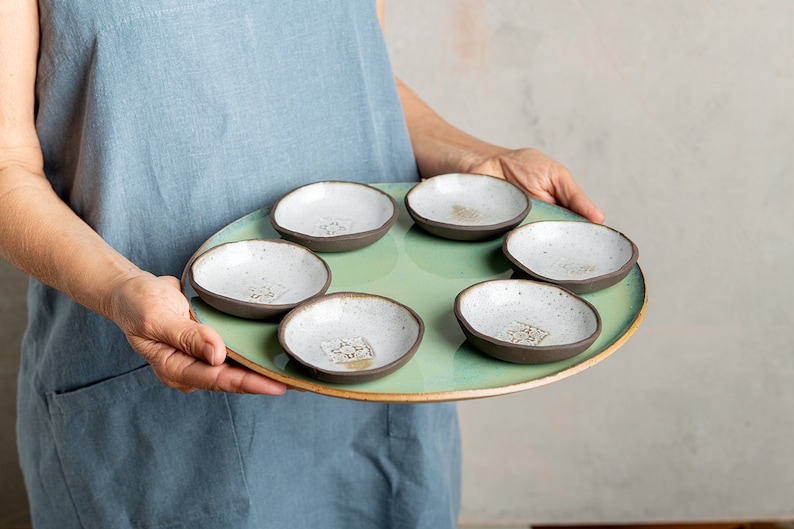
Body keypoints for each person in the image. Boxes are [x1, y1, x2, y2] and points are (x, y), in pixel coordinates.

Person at [0, 1, 604, 528]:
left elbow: (352, 68)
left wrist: (474, 158)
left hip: (375, 356)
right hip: (157, 384)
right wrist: (118, 291)